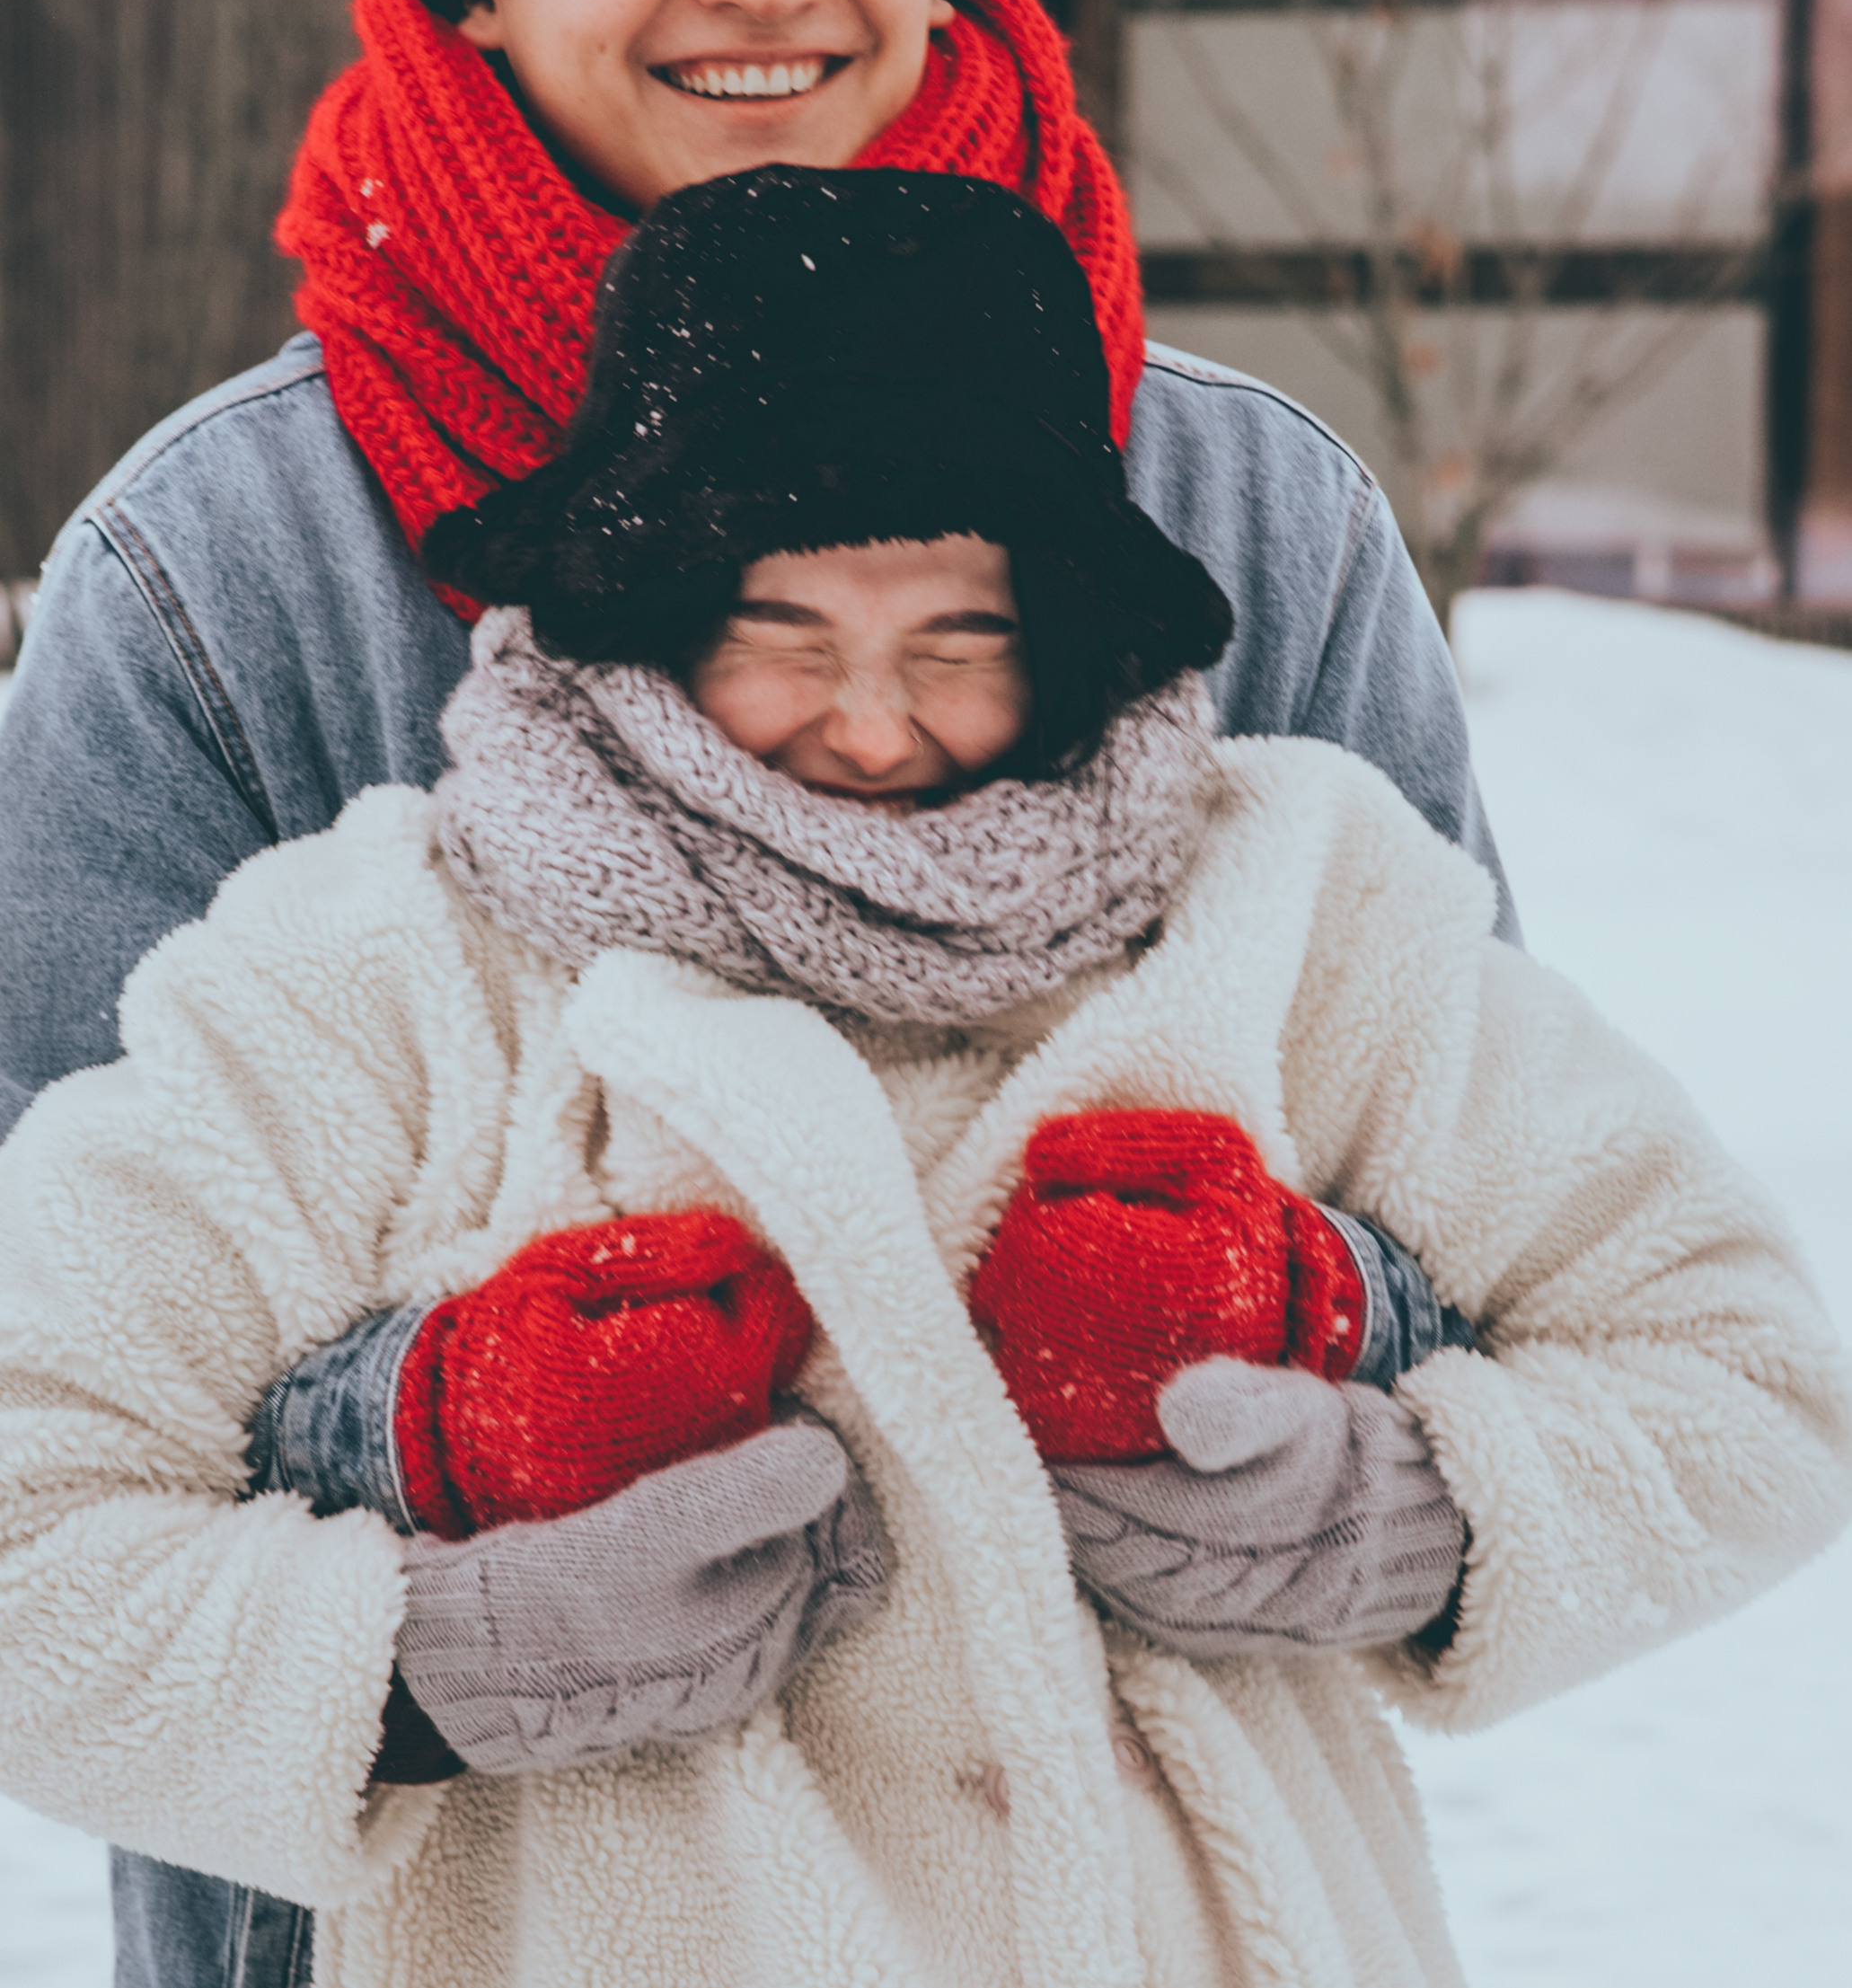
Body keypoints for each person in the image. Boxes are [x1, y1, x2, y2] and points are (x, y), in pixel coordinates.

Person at [0, 168, 1844, 1988]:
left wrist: (1394, 1517)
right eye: (782, 636)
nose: (871, 724)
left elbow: (1745, 1372)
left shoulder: (1294, 909)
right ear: (640, 606)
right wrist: (437, 1656)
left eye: (957, 640)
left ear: (1061, 629)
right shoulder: (369, 967)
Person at [0, 0, 1515, 1164]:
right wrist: (427, 1402)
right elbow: (67, 1268)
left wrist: (1268, 1304)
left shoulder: (1260, 506)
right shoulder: (212, 567)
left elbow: (1488, 1166)